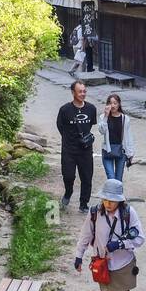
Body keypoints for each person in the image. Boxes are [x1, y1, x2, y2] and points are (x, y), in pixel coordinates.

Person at [74, 179, 144, 291]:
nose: (108, 203)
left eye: (112, 200)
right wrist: (78, 256)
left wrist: (121, 244)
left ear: (120, 200)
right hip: (102, 263)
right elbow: (85, 234)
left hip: (124, 264)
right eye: (105, 199)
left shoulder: (129, 213)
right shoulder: (94, 213)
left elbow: (140, 239)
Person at [55, 81, 98, 211]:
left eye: (84, 91)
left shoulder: (91, 109)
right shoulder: (65, 109)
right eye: (80, 91)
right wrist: (69, 138)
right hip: (69, 150)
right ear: (73, 92)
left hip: (85, 150)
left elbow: (91, 125)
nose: (82, 94)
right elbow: (60, 126)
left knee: (87, 178)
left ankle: (83, 204)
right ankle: (68, 192)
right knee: (68, 176)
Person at [98, 93, 135, 181]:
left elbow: (129, 137)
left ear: (119, 104)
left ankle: (117, 194)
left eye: (115, 103)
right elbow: (101, 131)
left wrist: (130, 153)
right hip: (107, 150)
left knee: (118, 180)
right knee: (111, 179)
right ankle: (112, 194)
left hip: (121, 151)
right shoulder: (103, 117)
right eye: (110, 103)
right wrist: (106, 116)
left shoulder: (125, 118)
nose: (113, 105)